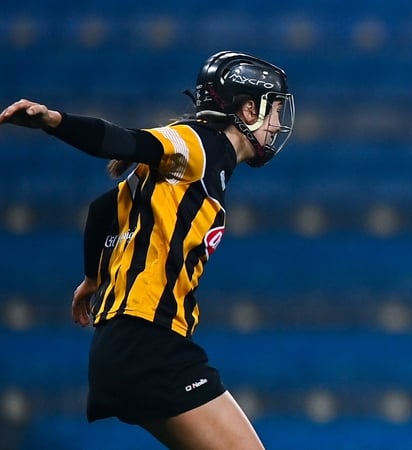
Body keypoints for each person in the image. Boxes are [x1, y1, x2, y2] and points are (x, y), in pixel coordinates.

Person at [1, 51, 295, 449]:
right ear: (247, 108)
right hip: (149, 341)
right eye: (274, 110)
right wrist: (56, 122)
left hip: (123, 345)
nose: (277, 124)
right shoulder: (196, 144)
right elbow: (124, 140)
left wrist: (93, 277)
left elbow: (102, 209)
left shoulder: (205, 166)